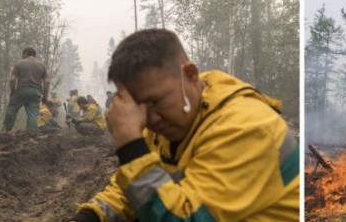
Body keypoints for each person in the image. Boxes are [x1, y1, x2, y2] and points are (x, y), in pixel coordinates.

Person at [69, 29, 299, 222]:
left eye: (155, 102)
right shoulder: (171, 118)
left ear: (190, 74)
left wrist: (130, 145)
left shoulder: (247, 127)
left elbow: (187, 217)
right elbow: (132, 190)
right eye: (140, 109)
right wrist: (91, 216)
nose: (150, 120)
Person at [2, 47, 50, 139]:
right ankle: (32, 135)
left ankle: (7, 130)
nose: (22, 56)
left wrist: (12, 91)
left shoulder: (20, 63)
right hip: (36, 92)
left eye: (22, 54)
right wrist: (45, 95)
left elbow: (12, 79)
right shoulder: (42, 65)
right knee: (33, 113)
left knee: (12, 108)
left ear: (26, 53)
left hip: (22, 89)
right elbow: (47, 81)